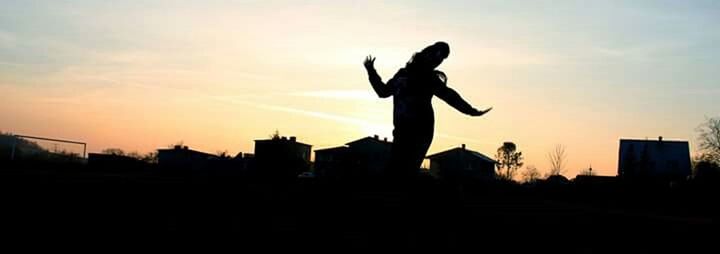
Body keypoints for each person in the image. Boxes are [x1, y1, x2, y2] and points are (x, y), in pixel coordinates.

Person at [363, 41, 492, 180]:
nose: (437, 61)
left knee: (405, 171)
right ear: (424, 54)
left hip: (420, 132)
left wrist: (470, 110)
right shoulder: (402, 75)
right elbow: (383, 91)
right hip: (402, 131)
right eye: (436, 57)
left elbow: (450, 96)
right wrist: (371, 71)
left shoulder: (429, 79)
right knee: (395, 171)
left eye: (440, 59)